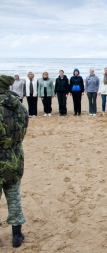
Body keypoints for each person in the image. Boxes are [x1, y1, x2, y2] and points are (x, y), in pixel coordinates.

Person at [0, 75, 28, 248]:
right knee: (14, 195)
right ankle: (17, 235)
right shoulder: (20, 107)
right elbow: (23, 129)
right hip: (14, 156)